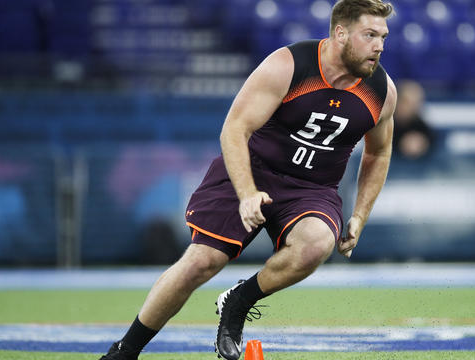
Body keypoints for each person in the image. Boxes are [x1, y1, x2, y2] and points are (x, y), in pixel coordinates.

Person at [99, 1, 397, 359]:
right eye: (369, 35)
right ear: (340, 33)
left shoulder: (382, 91)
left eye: (383, 36)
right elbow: (234, 129)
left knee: (317, 244)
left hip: (311, 189)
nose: (379, 45)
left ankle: (237, 303)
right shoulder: (289, 66)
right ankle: (123, 352)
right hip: (252, 169)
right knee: (201, 262)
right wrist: (246, 194)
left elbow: (378, 153)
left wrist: (360, 215)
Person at [392, 79, 434, 159]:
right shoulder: (382, 122)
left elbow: (433, 140)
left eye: (417, 103)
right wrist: (399, 144)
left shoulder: (421, 126)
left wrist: (424, 143)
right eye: (409, 103)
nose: (414, 107)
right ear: (398, 101)